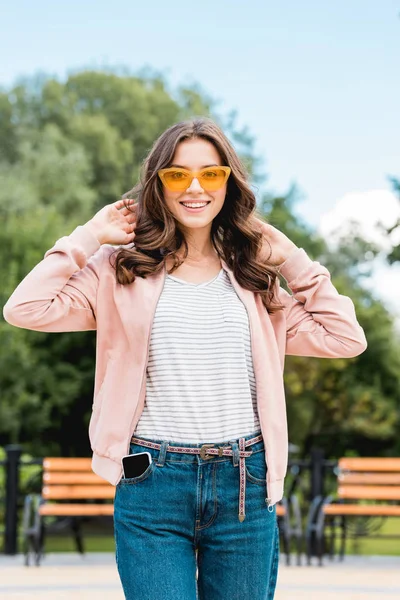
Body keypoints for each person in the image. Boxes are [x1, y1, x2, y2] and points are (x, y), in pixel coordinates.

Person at [3, 117, 367, 599]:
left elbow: (345, 338)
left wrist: (293, 260)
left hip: (244, 483)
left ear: (228, 183)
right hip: (151, 481)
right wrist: (89, 236)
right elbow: (25, 308)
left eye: (210, 174)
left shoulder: (256, 279)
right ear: (158, 185)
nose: (194, 187)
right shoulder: (118, 270)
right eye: (177, 174)